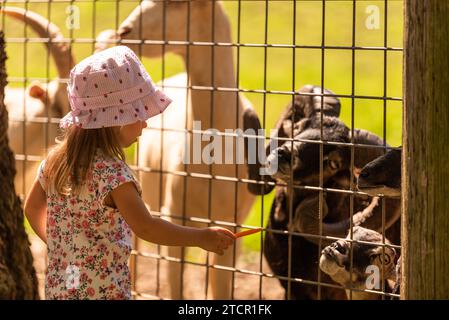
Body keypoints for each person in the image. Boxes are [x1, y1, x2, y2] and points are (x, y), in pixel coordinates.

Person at [24, 46, 235, 300]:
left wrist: (60, 245)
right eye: (139, 113)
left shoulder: (55, 161)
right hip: (105, 293)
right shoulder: (115, 176)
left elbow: (32, 208)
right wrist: (201, 237)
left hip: (61, 289)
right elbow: (146, 227)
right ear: (116, 119)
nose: (145, 122)